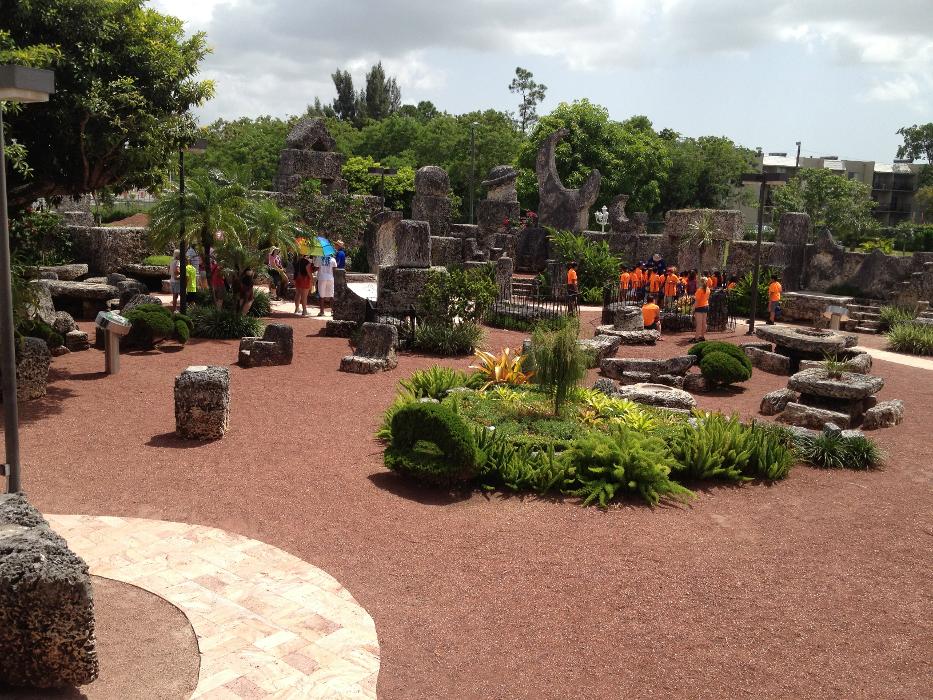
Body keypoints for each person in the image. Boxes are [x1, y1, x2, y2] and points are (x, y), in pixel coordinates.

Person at [692, 276, 710, 341]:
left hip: (699, 307)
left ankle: (696, 338)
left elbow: (697, 301)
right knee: (704, 322)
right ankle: (702, 336)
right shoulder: (708, 289)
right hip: (706, 306)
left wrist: (692, 309)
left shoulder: (699, 290)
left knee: (699, 324)